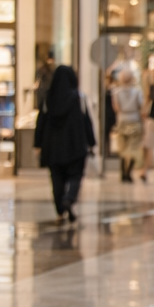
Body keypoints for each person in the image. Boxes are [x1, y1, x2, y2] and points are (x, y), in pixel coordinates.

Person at [34, 64, 96, 223]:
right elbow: (87, 122)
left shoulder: (48, 99)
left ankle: (60, 211)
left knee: (56, 178)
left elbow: (40, 122)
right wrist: (91, 142)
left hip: (53, 147)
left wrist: (38, 144)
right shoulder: (79, 98)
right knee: (76, 175)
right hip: (75, 146)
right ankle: (69, 198)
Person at [112, 69, 146, 183]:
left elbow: (116, 108)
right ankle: (128, 172)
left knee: (122, 147)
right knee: (133, 147)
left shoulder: (116, 92)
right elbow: (141, 106)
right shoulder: (137, 92)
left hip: (122, 120)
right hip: (134, 120)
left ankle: (123, 172)